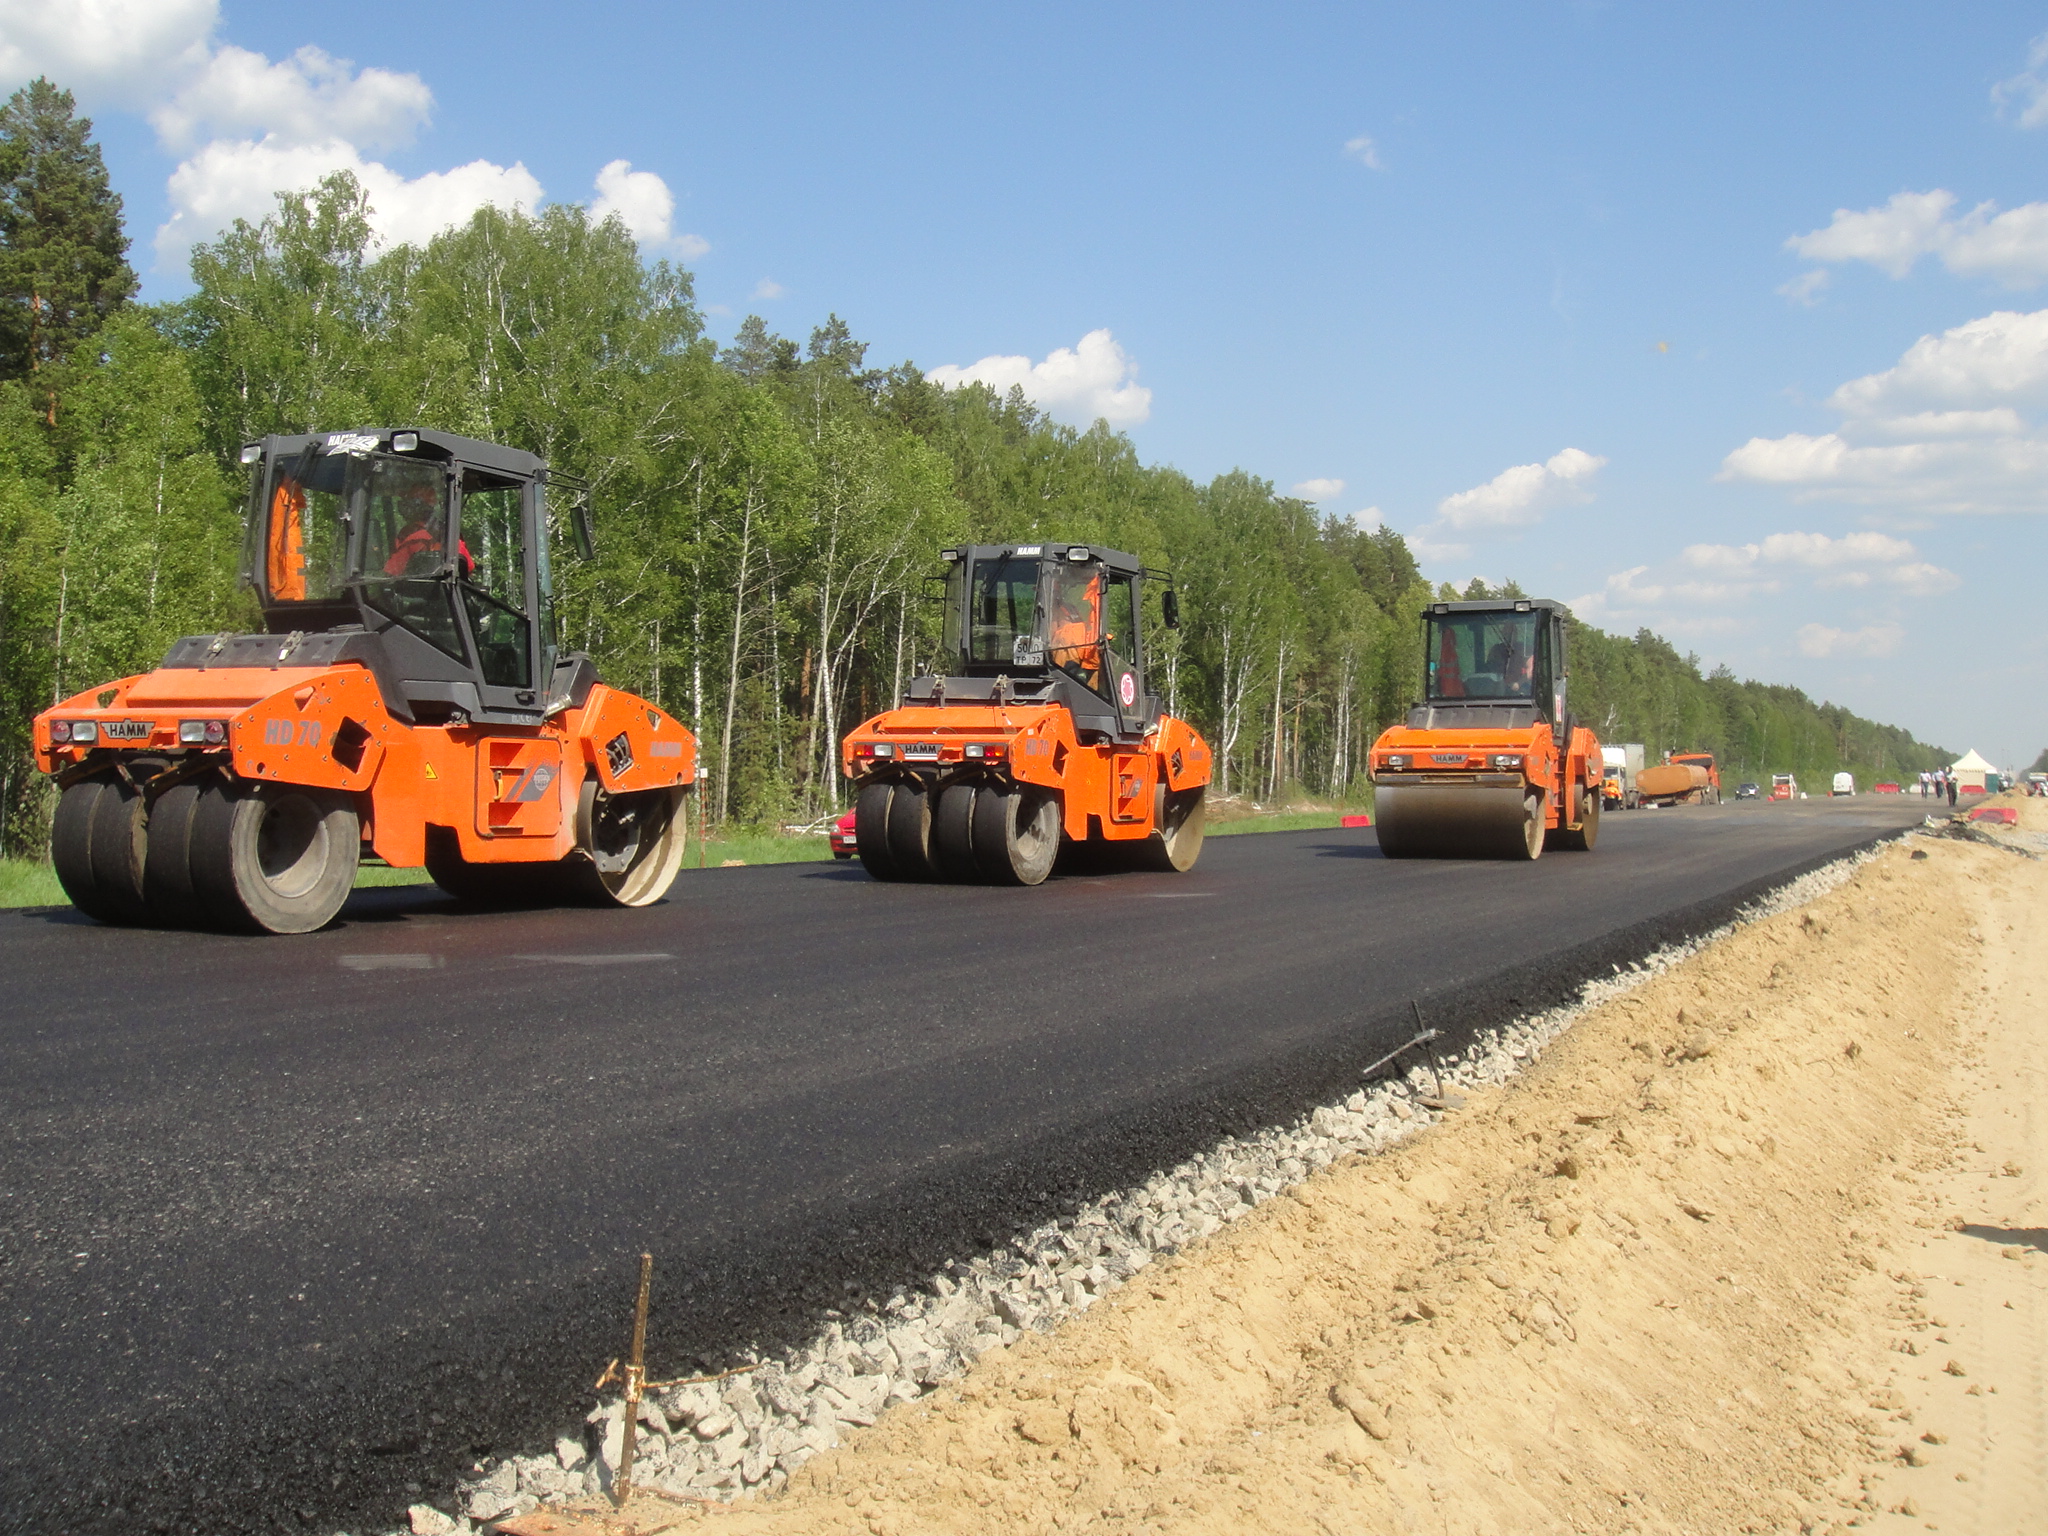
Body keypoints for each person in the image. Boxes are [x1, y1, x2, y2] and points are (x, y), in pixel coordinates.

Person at [1048, 568, 1104, 692]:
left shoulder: (1064, 609)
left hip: (1080, 652)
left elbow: (1050, 636)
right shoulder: (1056, 610)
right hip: (1074, 654)